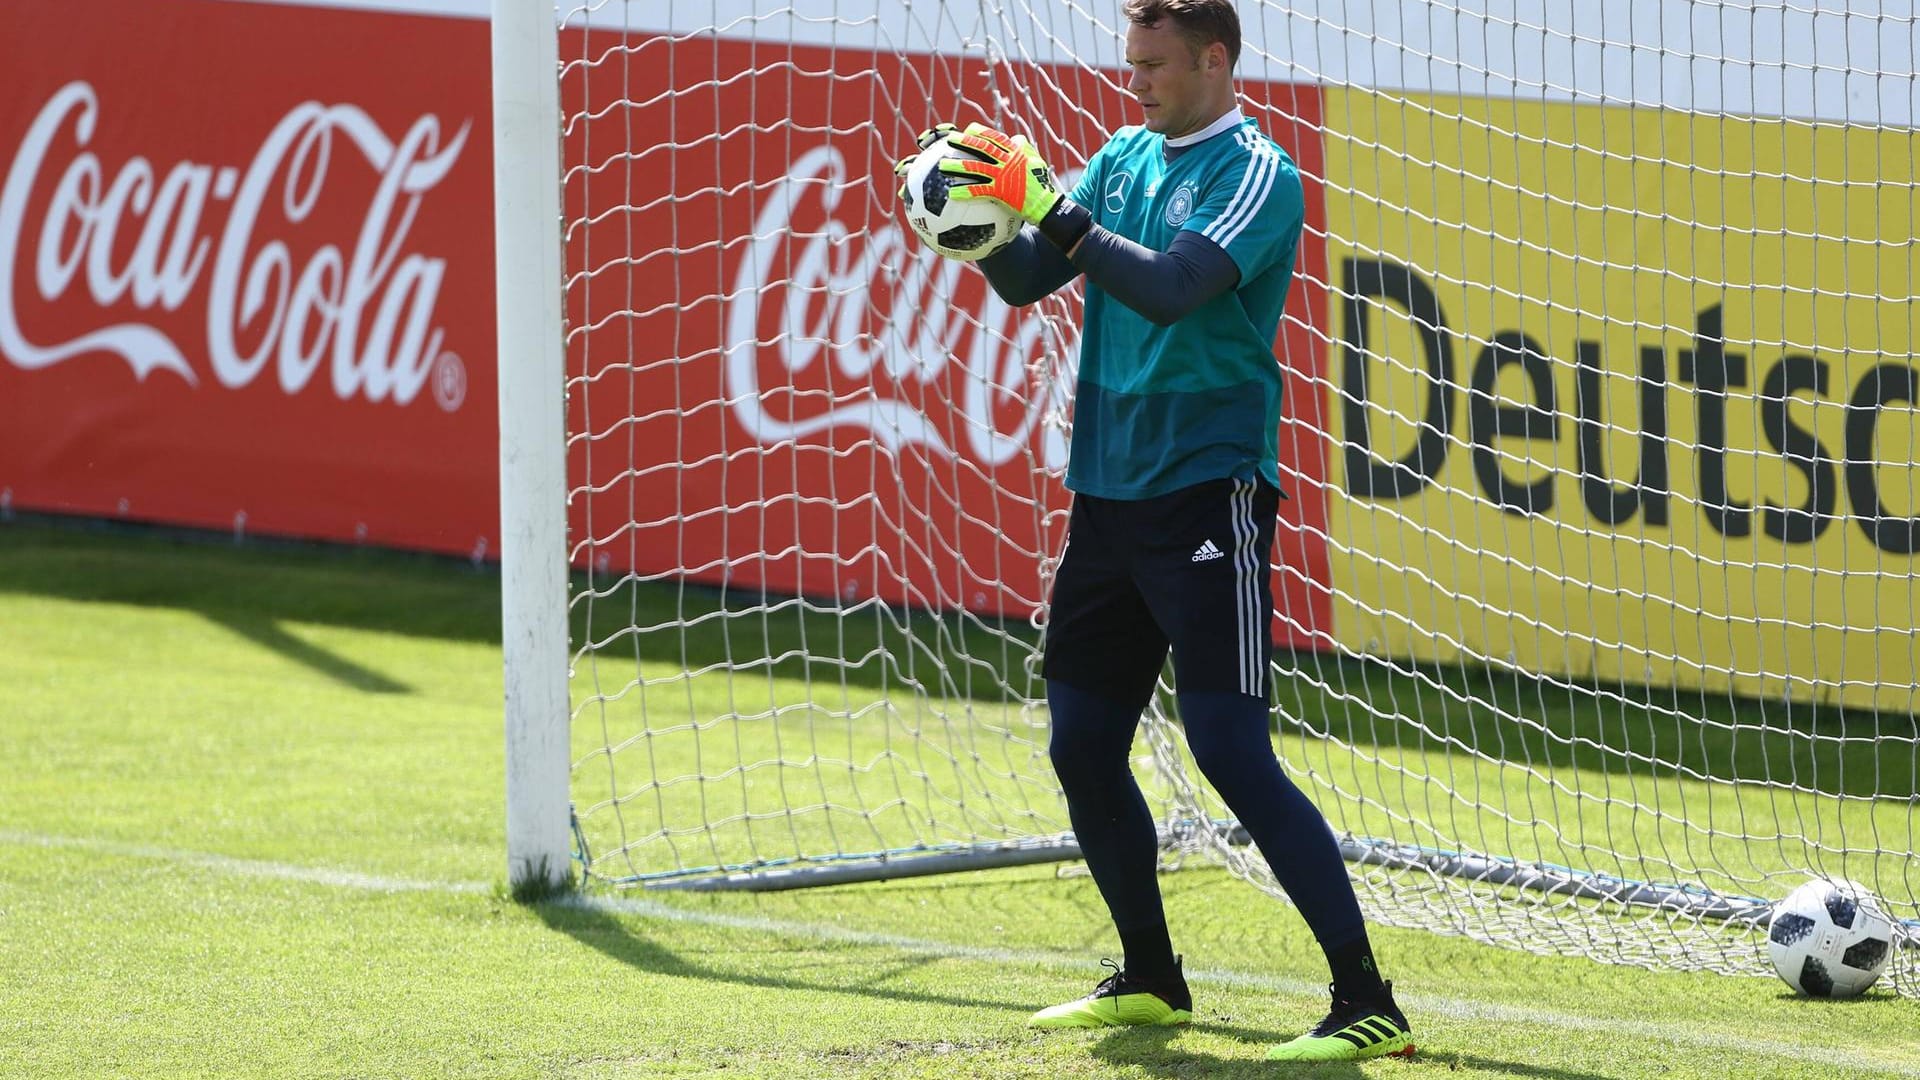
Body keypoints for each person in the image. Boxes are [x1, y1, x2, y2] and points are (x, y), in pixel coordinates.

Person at [893, 0, 1415, 1064]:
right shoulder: (1123, 155)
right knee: (1082, 744)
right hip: (1107, 496)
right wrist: (976, 220)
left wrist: (1052, 208)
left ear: (1215, 59)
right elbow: (1035, 276)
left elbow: (1176, 288)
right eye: (1131, 63)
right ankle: (1150, 978)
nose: (1137, 81)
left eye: (1157, 64)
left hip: (1204, 491)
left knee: (1228, 748)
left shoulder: (1258, 173)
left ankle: (1365, 998)